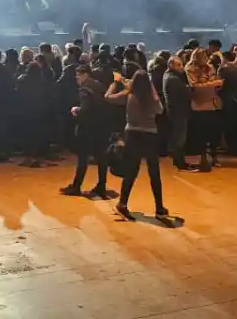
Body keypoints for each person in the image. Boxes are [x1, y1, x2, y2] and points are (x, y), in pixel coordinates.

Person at [105, 70, 168, 221]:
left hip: (132, 134)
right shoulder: (151, 99)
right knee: (154, 172)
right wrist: (151, 88)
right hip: (150, 134)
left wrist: (115, 82)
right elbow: (160, 110)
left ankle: (122, 204)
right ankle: (159, 208)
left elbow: (107, 97)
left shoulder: (129, 95)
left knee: (131, 171)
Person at [61, 63, 114, 199]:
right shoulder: (99, 85)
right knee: (101, 158)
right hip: (101, 127)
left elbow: (85, 109)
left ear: (85, 74)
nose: (77, 78)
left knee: (82, 159)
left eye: (78, 75)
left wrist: (76, 110)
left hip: (87, 128)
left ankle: (76, 186)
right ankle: (101, 186)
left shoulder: (84, 90)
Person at [162, 57, 191, 170]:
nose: (182, 67)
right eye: (178, 65)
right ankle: (179, 161)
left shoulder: (167, 75)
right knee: (180, 138)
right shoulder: (173, 79)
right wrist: (188, 89)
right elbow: (185, 94)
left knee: (178, 136)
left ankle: (178, 160)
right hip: (178, 111)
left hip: (175, 111)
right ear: (171, 65)